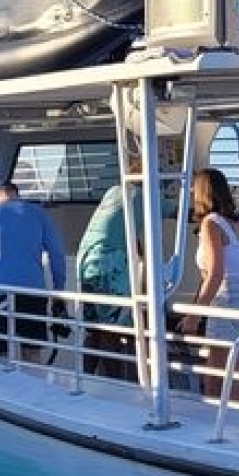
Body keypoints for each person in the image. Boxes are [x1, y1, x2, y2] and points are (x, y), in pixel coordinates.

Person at [76, 152, 174, 381]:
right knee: (113, 329)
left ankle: (85, 379)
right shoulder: (146, 196)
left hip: (87, 261)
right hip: (109, 265)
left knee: (94, 328)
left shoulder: (114, 192)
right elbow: (182, 212)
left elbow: (124, 228)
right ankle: (116, 385)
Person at [177, 168, 239, 397]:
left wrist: (193, 315)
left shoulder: (211, 224)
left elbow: (216, 274)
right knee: (234, 373)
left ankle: (221, 427)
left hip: (226, 302)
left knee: (217, 378)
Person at [0, 180, 68, 363]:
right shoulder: (39, 214)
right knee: (32, 351)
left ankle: (0, 389)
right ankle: (33, 388)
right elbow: (57, 254)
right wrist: (59, 288)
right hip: (33, 292)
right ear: (17, 194)